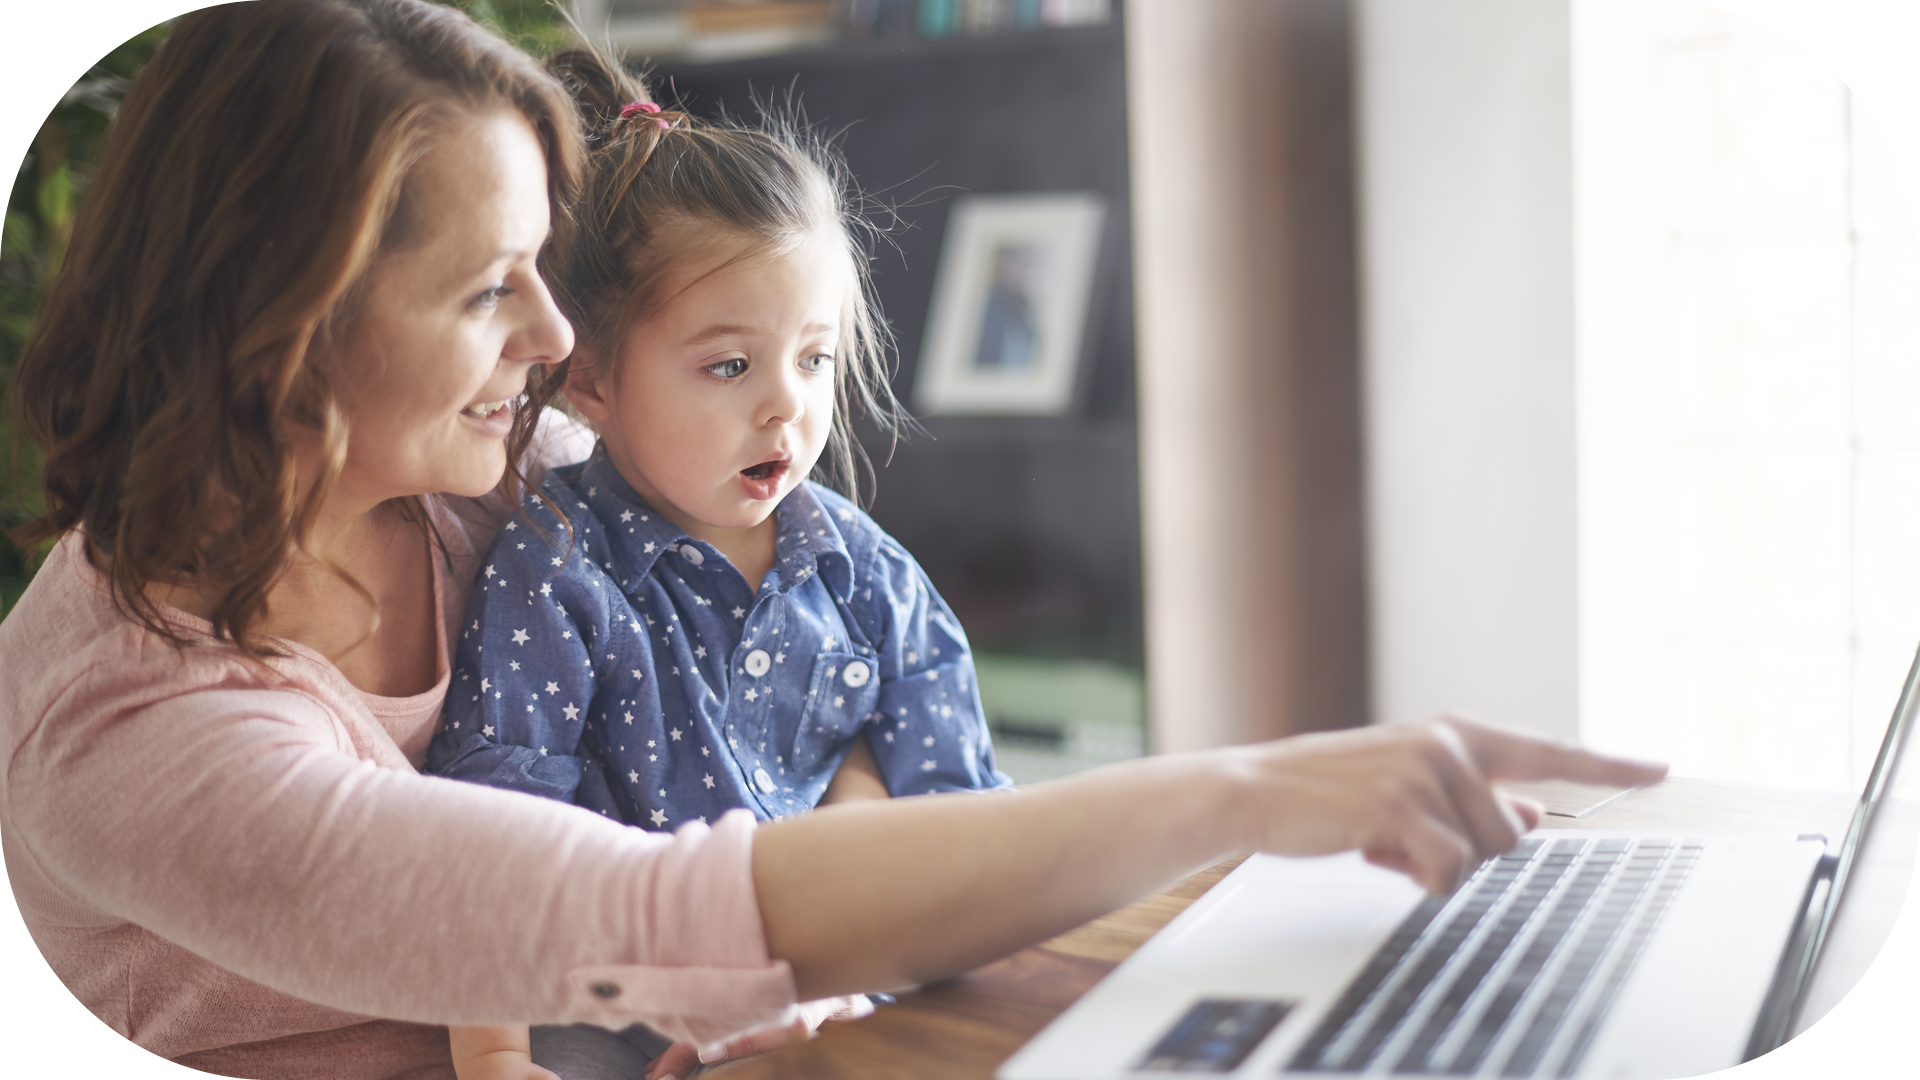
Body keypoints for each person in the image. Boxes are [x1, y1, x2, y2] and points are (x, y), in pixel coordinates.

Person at [0, 3, 1667, 1079]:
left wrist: (863, 793)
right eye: (485, 287)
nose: (550, 335)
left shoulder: (494, 476)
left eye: (549, 267)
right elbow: (641, 907)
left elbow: (802, 687)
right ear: (287, 322)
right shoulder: (137, 730)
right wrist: (1242, 790)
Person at [421, 47, 1011, 1080]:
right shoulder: (557, 571)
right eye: (730, 365)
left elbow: (958, 814)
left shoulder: (862, 573)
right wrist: (494, 1057)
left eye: (814, 357)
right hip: (612, 1010)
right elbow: (494, 838)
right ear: (590, 382)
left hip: (827, 983)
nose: (788, 404)